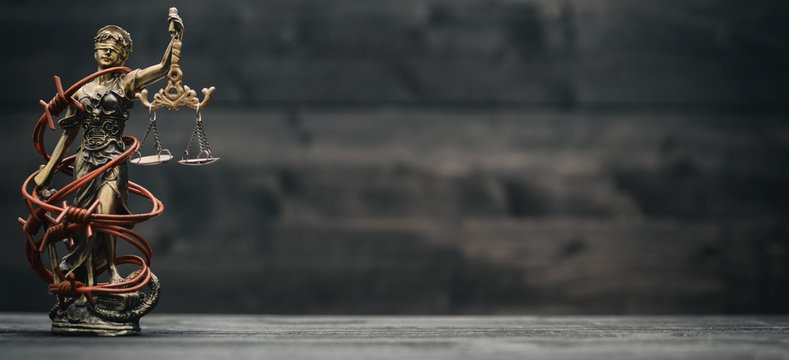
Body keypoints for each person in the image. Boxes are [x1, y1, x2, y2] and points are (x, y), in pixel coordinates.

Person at [35, 15, 183, 285]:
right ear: (95, 50)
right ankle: (85, 278)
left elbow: (163, 68)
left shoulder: (126, 82)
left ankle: (112, 269)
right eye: (103, 46)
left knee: (105, 214)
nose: (107, 51)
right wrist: (48, 172)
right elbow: (68, 137)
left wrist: (176, 39)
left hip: (113, 158)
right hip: (85, 161)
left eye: (114, 48)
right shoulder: (80, 92)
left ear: (123, 55)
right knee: (84, 220)